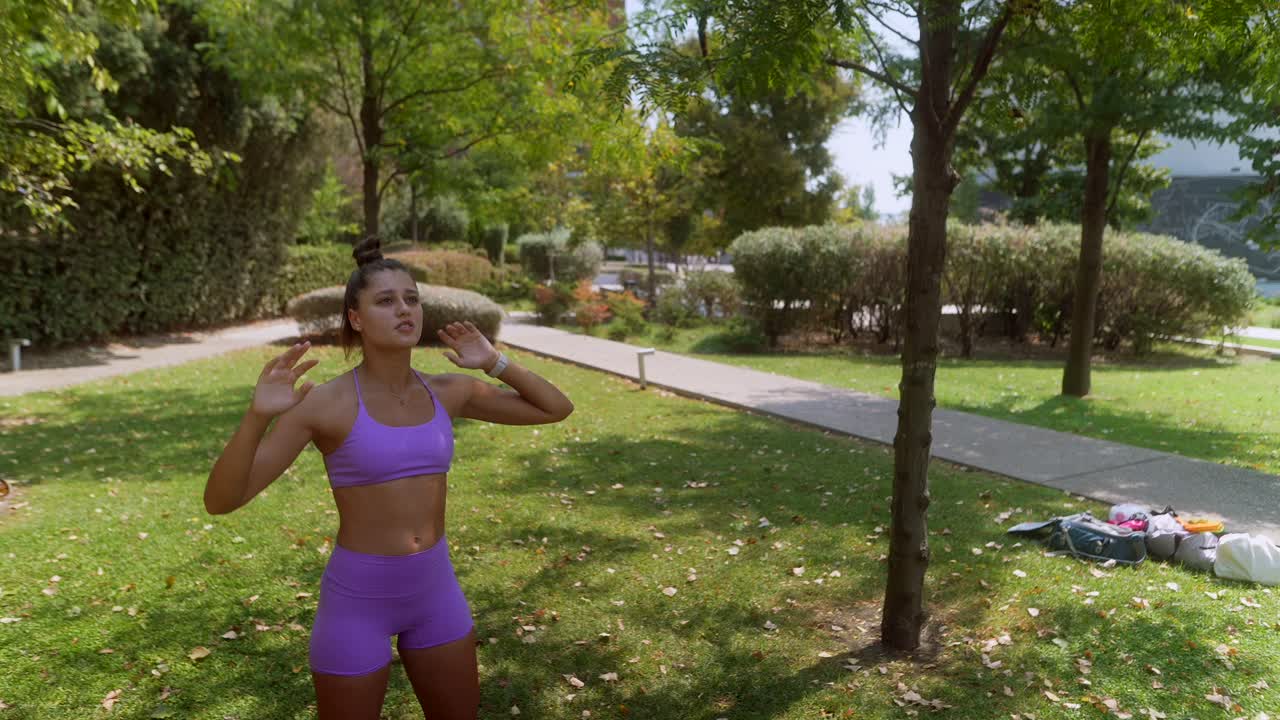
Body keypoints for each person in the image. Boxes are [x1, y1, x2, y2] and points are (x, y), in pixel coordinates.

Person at [204, 237, 573, 719]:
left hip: (436, 591)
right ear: (355, 319)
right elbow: (223, 500)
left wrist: (494, 362)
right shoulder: (325, 404)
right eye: (385, 301)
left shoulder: (450, 392)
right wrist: (256, 418)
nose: (405, 310)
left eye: (412, 299)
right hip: (358, 601)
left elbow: (555, 408)